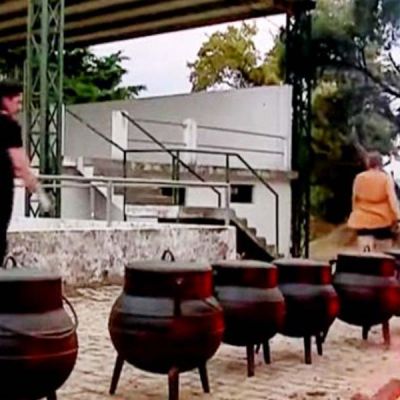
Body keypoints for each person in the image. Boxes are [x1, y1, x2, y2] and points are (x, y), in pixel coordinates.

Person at [0, 80, 50, 266]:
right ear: (6, 100)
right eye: (18, 102)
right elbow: (19, 162)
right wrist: (35, 186)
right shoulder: (9, 126)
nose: (20, 107)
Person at [348, 151, 400, 252]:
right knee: (385, 255)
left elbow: (354, 199)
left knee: (365, 255)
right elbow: (392, 199)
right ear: (380, 163)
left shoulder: (359, 178)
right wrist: (398, 218)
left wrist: (355, 214)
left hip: (362, 220)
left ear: (368, 163)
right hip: (383, 221)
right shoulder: (386, 178)